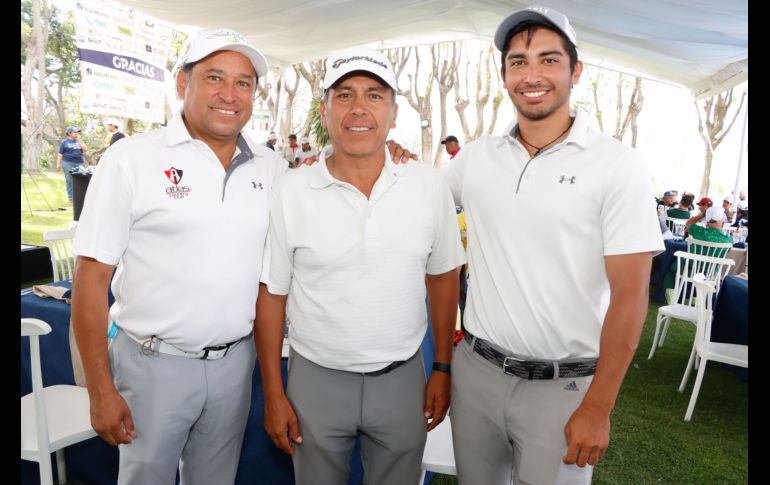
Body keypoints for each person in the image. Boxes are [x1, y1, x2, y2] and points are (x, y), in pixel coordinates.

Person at [437, 6, 664, 483]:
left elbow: (630, 296)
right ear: (503, 75)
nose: (531, 74)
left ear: (575, 70)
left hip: (564, 388)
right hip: (476, 374)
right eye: (518, 61)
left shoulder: (615, 165)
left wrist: (599, 406)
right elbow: (419, 203)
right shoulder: (477, 158)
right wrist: (389, 158)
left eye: (548, 59)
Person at [71, 28, 285, 485]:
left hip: (234, 365)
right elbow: (89, 282)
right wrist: (99, 390)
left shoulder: (273, 167)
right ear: (182, 83)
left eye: (243, 83)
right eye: (214, 77)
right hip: (152, 366)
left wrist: (392, 156)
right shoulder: (130, 159)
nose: (230, 94)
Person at [255, 46, 465, 485]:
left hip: (403, 378)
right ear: (325, 108)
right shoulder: (292, 190)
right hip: (316, 379)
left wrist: (442, 368)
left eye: (374, 95)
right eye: (345, 94)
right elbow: (272, 294)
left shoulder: (427, 184)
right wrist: (274, 392)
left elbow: (444, 277)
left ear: (393, 111)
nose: (359, 108)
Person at [57, 126, 89, 202]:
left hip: (79, 163)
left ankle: (81, 196)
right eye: (75, 132)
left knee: (81, 179)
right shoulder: (64, 142)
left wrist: (79, 140)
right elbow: (60, 154)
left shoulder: (79, 141)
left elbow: (86, 149)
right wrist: (58, 163)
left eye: (77, 132)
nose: (77, 133)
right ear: (69, 133)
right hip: (67, 163)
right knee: (69, 180)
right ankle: (71, 197)